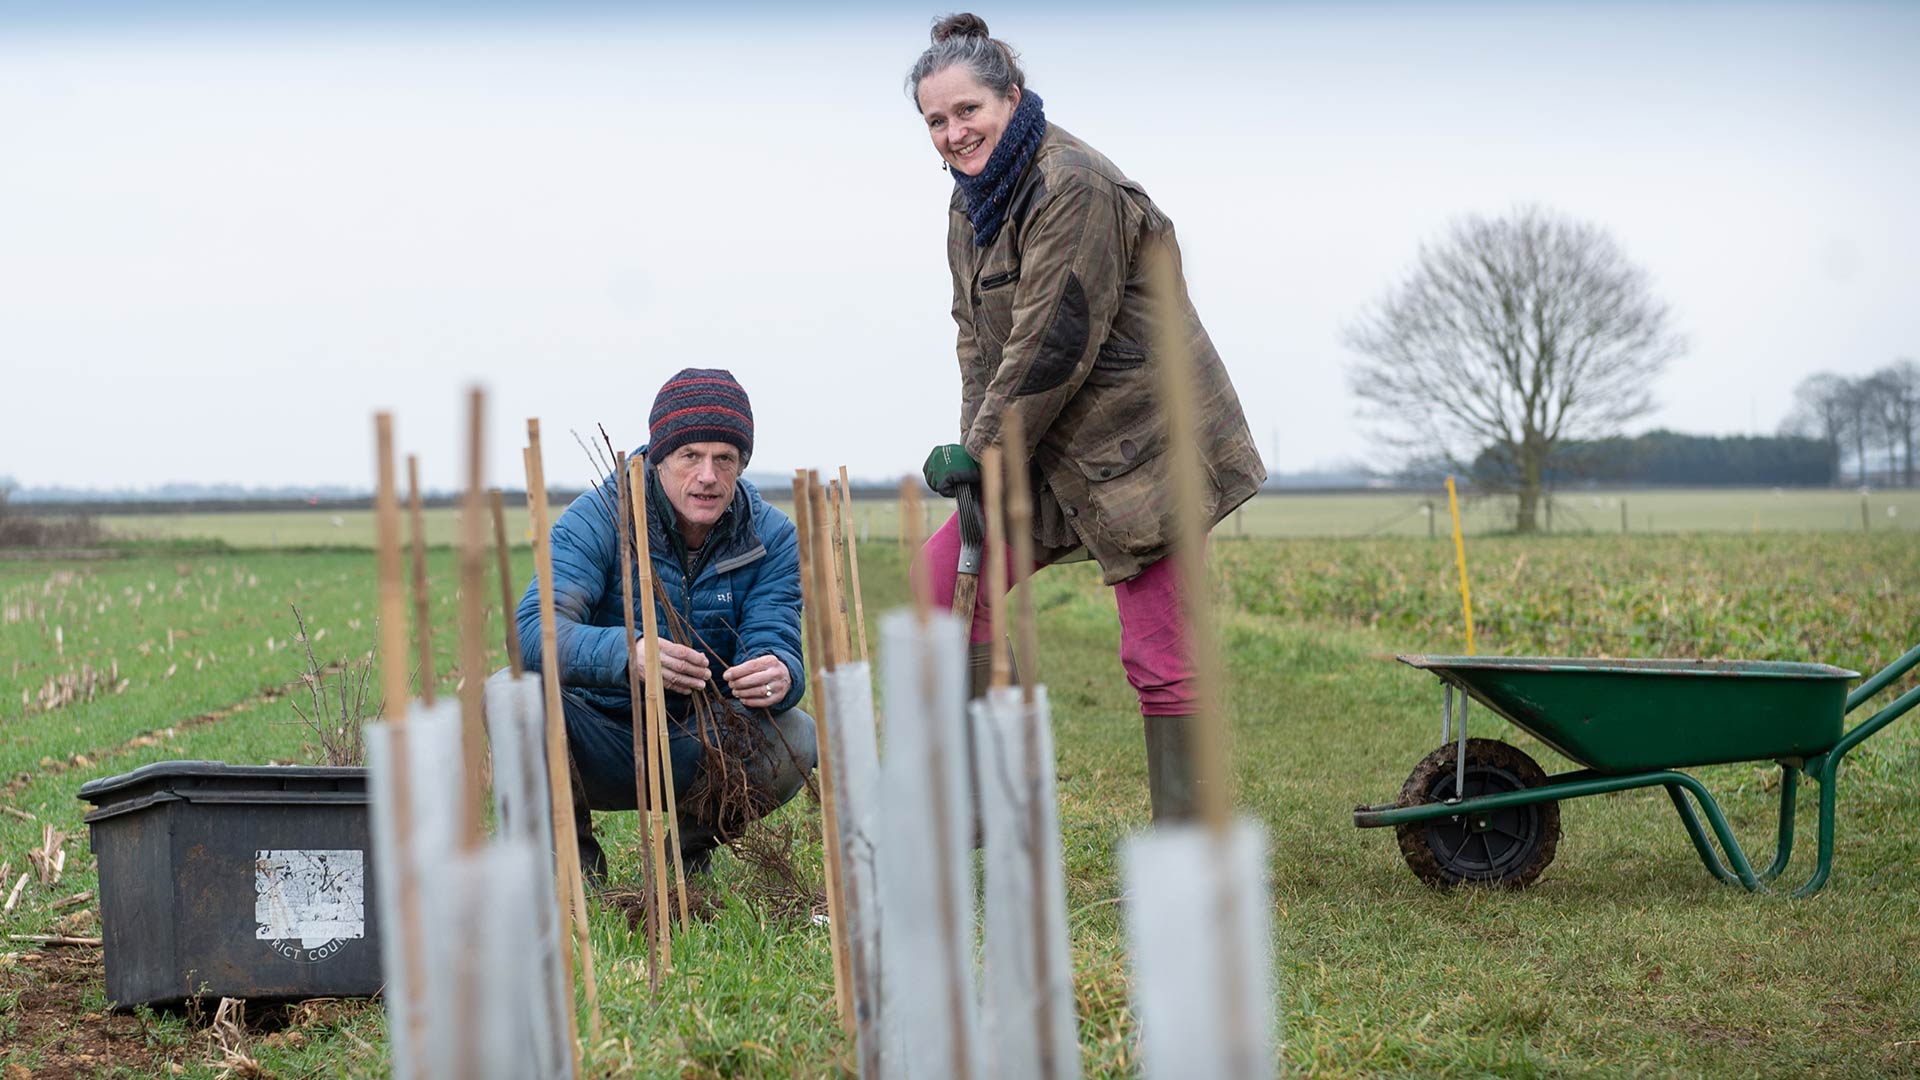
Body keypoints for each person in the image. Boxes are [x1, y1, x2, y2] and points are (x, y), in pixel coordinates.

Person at [906, 15, 1266, 823]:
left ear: (1012, 96)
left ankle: (1188, 838)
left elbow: (1053, 338)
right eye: (936, 120)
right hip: (1046, 445)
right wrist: (975, 457)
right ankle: (967, 810)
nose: (954, 133)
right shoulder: (972, 206)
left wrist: (989, 451)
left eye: (969, 111)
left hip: (1146, 445)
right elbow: (978, 342)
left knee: (1158, 650)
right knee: (945, 578)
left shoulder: (1074, 183)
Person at [509, 368, 816, 881]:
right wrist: (629, 655)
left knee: (796, 736)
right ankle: (574, 870)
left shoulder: (770, 537)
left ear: (742, 464)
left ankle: (685, 862)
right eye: (690, 456)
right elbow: (533, 633)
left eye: (725, 459)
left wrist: (780, 673)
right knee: (511, 696)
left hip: (698, 741)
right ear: (658, 458)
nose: (708, 476)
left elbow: (774, 635)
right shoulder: (600, 518)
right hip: (596, 737)